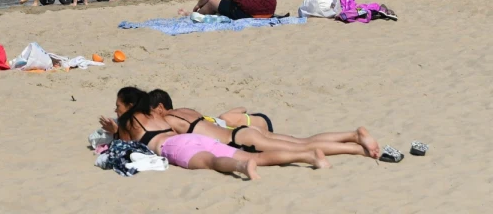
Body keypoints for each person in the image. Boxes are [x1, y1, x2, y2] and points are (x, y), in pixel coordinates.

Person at [102, 87, 328, 179]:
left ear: (129, 106)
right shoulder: (157, 116)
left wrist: (114, 131)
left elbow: (124, 146)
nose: (116, 110)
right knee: (263, 153)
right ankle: (307, 156)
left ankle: (241, 167)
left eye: (118, 106)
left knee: (212, 162)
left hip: (175, 147)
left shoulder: (128, 121)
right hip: (192, 138)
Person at [148, 90, 381, 160]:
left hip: (240, 140)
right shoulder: (186, 111)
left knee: (303, 148)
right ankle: (353, 134)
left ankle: (355, 148)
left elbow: (157, 138)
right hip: (245, 132)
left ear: (159, 108)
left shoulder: (169, 120)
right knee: (303, 141)